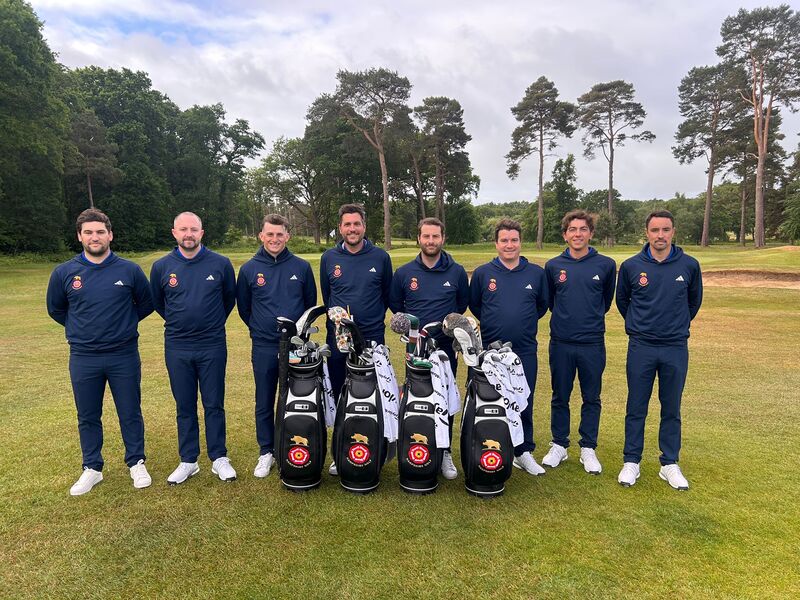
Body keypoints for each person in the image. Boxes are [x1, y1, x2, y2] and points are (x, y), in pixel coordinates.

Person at [46, 208, 154, 496]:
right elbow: (56, 309)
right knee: (87, 414)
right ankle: (92, 467)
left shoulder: (129, 270)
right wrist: (81, 329)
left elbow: (146, 303)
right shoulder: (65, 272)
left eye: (100, 232)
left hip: (123, 354)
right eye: (89, 232)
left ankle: (136, 462)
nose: (95, 237)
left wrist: (123, 324)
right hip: (84, 357)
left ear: (110, 235)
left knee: (130, 411)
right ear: (79, 236)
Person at [616, 210, 702, 490]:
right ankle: (632, 461)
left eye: (665, 230)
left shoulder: (689, 265)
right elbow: (623, 302)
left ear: (673, 232)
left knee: (671, 407)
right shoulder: (631, 266)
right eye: (655, 230)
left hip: (675, 346)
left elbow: (693, 303)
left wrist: (674, 326)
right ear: (647, 233)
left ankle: (669, 463)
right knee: (636, 406)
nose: (660, 235)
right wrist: (641, 326)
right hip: (641, 346)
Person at [150, 212, 237, 485]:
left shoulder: (220, 264)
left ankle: (219, 457)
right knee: (184, 404)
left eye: (194, 229)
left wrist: (209, 323)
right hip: (177, 345)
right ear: (174, 233)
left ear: (202, 233)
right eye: (183, 229)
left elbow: (229, 300)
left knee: (214, 403)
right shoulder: (162, 266)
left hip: (212, 344)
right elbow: (158, 302)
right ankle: (188, 460)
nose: (189, 234)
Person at [389, 217, 469, 480]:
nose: (431, 241)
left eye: (435, 236)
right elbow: (396, 306)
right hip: (415, 348)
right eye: (426, 236)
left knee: (445, 399)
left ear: (442, 238)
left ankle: (444, 452)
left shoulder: (456, 272)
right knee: (415, 399)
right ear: (419, 239)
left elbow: (461, 306)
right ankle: (415, 445)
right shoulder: (404, 273)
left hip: (445, 350)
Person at [237, 214, 317, 478]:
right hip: (264, 345)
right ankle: (266, 451)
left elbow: (309, 305)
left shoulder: (301, 267)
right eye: (269, 234)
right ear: (261, 235)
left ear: (287, 236)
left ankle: (294, 444)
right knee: (264, 399)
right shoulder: (249, 269)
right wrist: (260, 328)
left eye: (279, 234)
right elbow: (244, 308)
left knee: (297, 398)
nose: (274, 239)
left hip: (296, 346)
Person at [469, 218, 549, 476]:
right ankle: (486, 446)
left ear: (520, 242)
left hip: (523, 350)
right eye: (504, 240)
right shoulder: (483, 273)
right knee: (488, 402)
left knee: (523, 400)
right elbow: (476, 306)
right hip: (489, 353)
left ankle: (523, 452)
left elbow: (541, 306)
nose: (509, 245)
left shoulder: (536, 273)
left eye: (514, 240)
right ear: (496, 243)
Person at [320, 203, 393, 475]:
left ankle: (374, 448)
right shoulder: (329, 258)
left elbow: (386, 295)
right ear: (340, 228)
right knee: (341, 396)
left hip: (372, 338)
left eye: (357, 224)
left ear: (364, 226)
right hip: (339, 339)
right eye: (347, 224)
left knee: (373, 396)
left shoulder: (380, 257)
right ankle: (341, 451)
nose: (352, 229)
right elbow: (328, 295)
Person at [542, 210, 616, 475]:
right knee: (560, 395)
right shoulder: (553, 266)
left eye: (583, 229)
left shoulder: (605, 265)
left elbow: (605, 302)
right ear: (565, 234)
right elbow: (551, 302)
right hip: (561, 342)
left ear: (591, 233)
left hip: (592, 342)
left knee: (591, 397)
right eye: (572, 229)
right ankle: (559, 444)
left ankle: (588, 447)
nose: (577, 234)